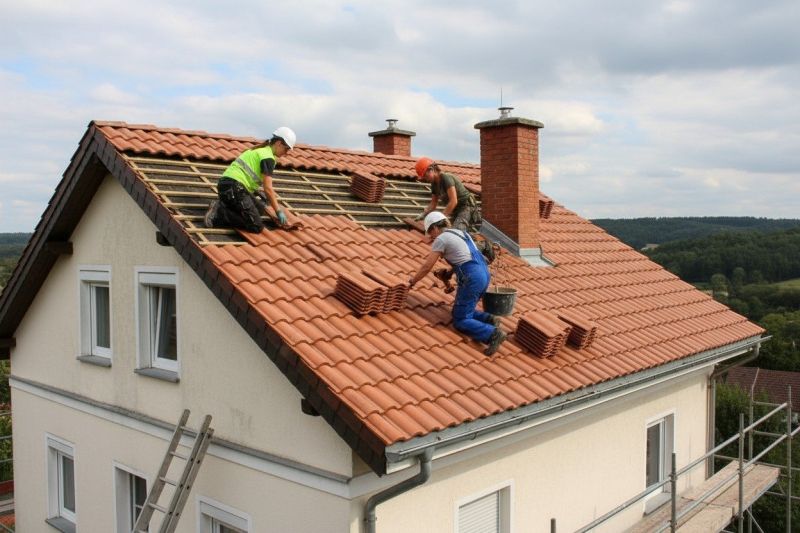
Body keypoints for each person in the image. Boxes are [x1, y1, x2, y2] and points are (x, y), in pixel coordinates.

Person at [409, 211, 507, 355]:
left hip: (472, 278)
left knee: (460, 319)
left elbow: (427, 267)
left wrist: (412, 281)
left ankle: (493, 334)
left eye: (430, 232)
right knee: (461, 310)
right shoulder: (461, 233)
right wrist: (449, 273)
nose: (431, 236)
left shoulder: (441, 239)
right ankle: (489, 319)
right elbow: (466, 258)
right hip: (484, 274)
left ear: (435, 228)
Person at [205, 126, 296, 232]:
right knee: (256, 226)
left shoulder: (260, 150)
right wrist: (278, 211)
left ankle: (225, 205)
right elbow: (268, 189)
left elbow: (247, 174)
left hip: (228, 187)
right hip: (234, 188)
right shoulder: (268, 157)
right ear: (279, 143)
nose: (286, 153)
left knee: (260, 209)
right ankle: (220, 212)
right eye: (286, 149)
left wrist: (254, 192)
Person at [414, 157, 480, 232]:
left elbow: (453, 201)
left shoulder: (446, 178)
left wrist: (440, 218)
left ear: (431, 169)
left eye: (425, 176)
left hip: (467, 207)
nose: (426, 179)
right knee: (446, 231)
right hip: (456, 210)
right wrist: (424, 214)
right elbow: (433, 204)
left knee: (457, 232)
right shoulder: (434, 184)